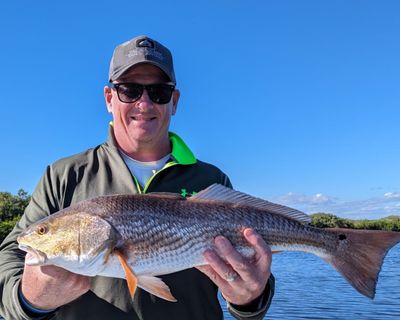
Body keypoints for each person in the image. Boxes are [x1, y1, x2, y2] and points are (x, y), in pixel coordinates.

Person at [0, 35, 274, 320]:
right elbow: (9, 257)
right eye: (129, 90)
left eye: (158, 92)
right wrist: (28, 299)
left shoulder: (212, 179)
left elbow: (255, 268)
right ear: (109, 98)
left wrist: (250, 299)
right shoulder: (64, 175)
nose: (144, 103)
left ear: (174, 101)